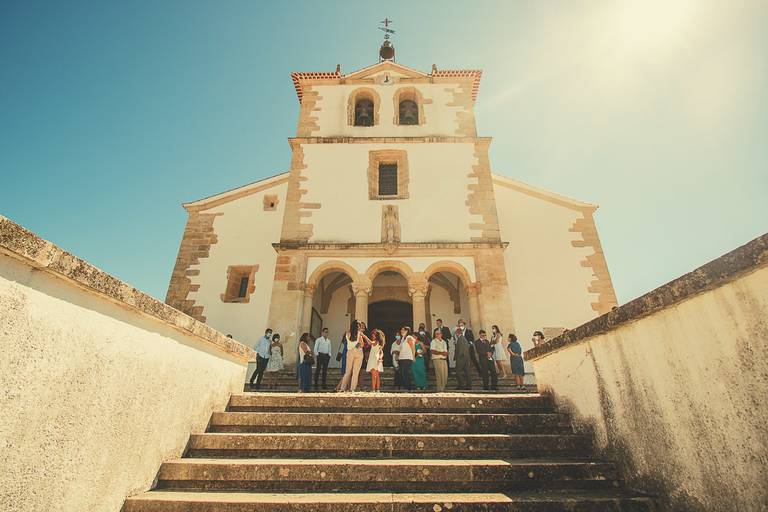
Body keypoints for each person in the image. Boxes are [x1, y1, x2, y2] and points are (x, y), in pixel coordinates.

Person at [338, 320, 369, 392]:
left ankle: (342, 388)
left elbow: (349, 342)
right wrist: (356, 347)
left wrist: (353, 347)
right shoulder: (359, 334)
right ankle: (352, 389)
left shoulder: (347, 333)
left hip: (349, 352)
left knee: (347, 371)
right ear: (357, 326)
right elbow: (362, 344)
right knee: (355, 372)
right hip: (358, 352)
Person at [453, 325, 472, 390]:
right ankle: (468, 385)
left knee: (458, 371)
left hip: (461, 358)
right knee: (467, 372)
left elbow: (461, 350)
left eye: (455, 333)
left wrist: (458, 358)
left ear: (457, 333)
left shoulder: (460, 339)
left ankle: (461, 385)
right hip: (466, 358)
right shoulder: (464, 339)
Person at [398, 326, 416, 391]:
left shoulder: (409, 337)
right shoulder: (403, 338)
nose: (401, 331)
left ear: (407, 331)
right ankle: (405, 386)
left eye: (403, 330)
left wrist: (413, 356)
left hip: (407, 357)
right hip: (402, 358)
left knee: (405, 373)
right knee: (403, 373)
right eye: (401, 330)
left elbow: (413, 348)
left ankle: (408, 387)